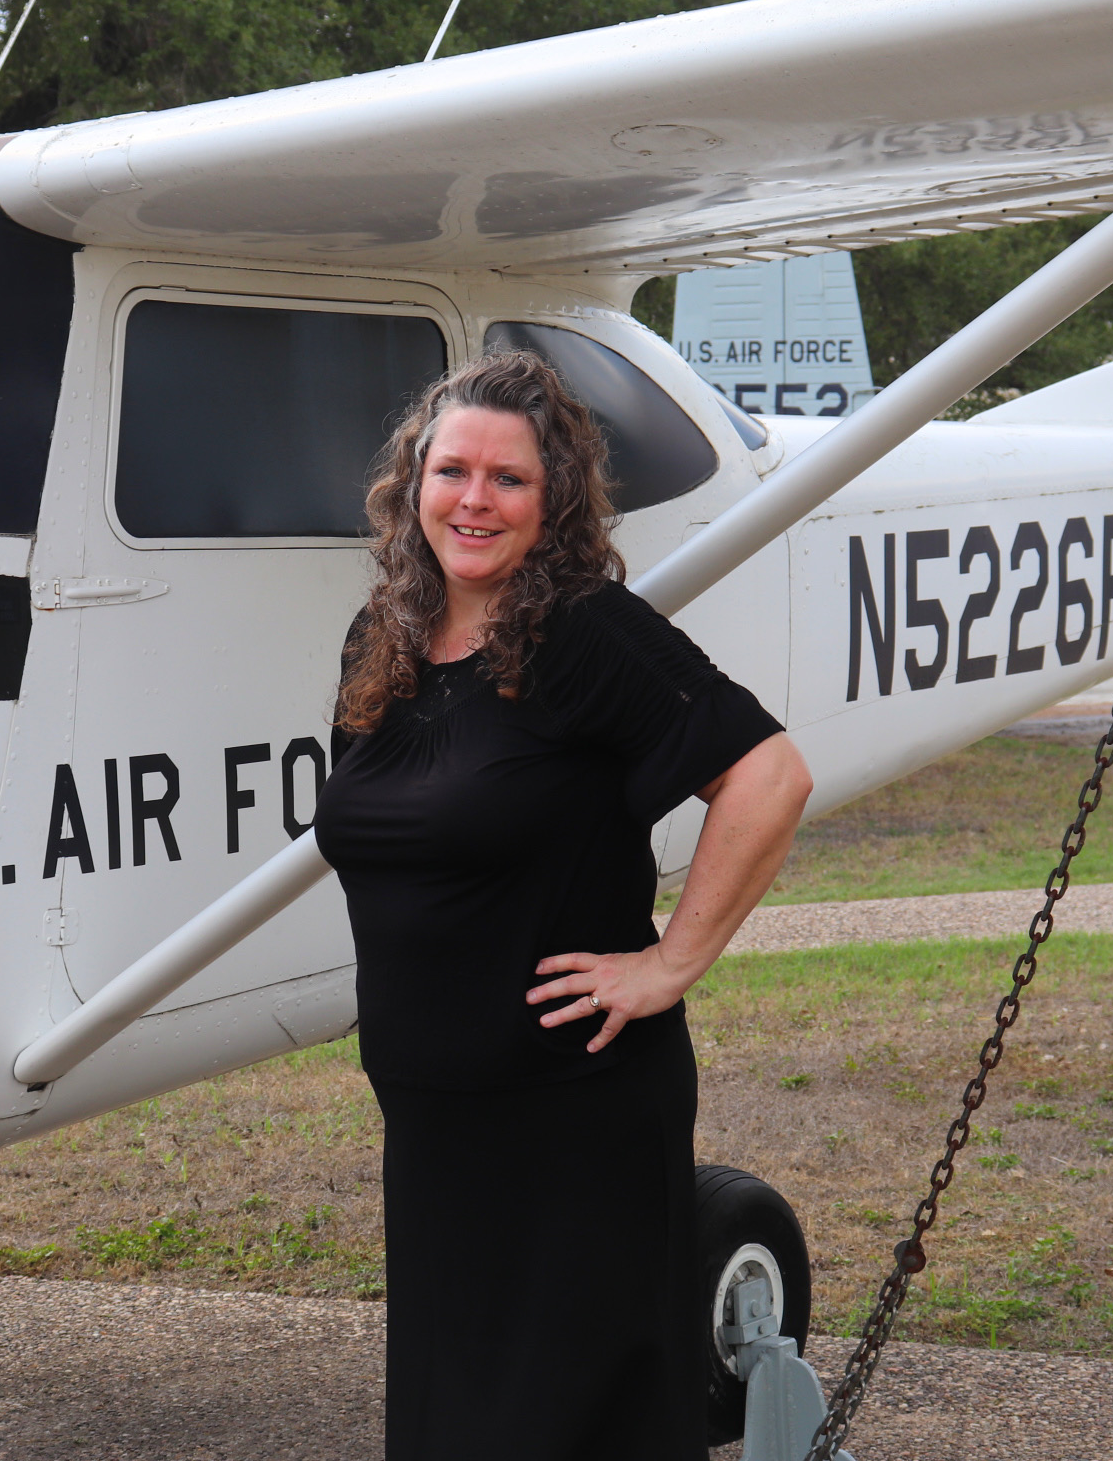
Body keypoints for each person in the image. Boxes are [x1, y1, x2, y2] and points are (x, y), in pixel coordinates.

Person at [313, 350, 813, 1461]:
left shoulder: (584, 633)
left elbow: (768, 776)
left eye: (510, 480)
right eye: (453, 472)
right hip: (437, 1128)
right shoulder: (380, 642)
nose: (475, 501)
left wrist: (668, 963)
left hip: (571, 1116)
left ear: (557, 500)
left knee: (571, 1428)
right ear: (414, 485)